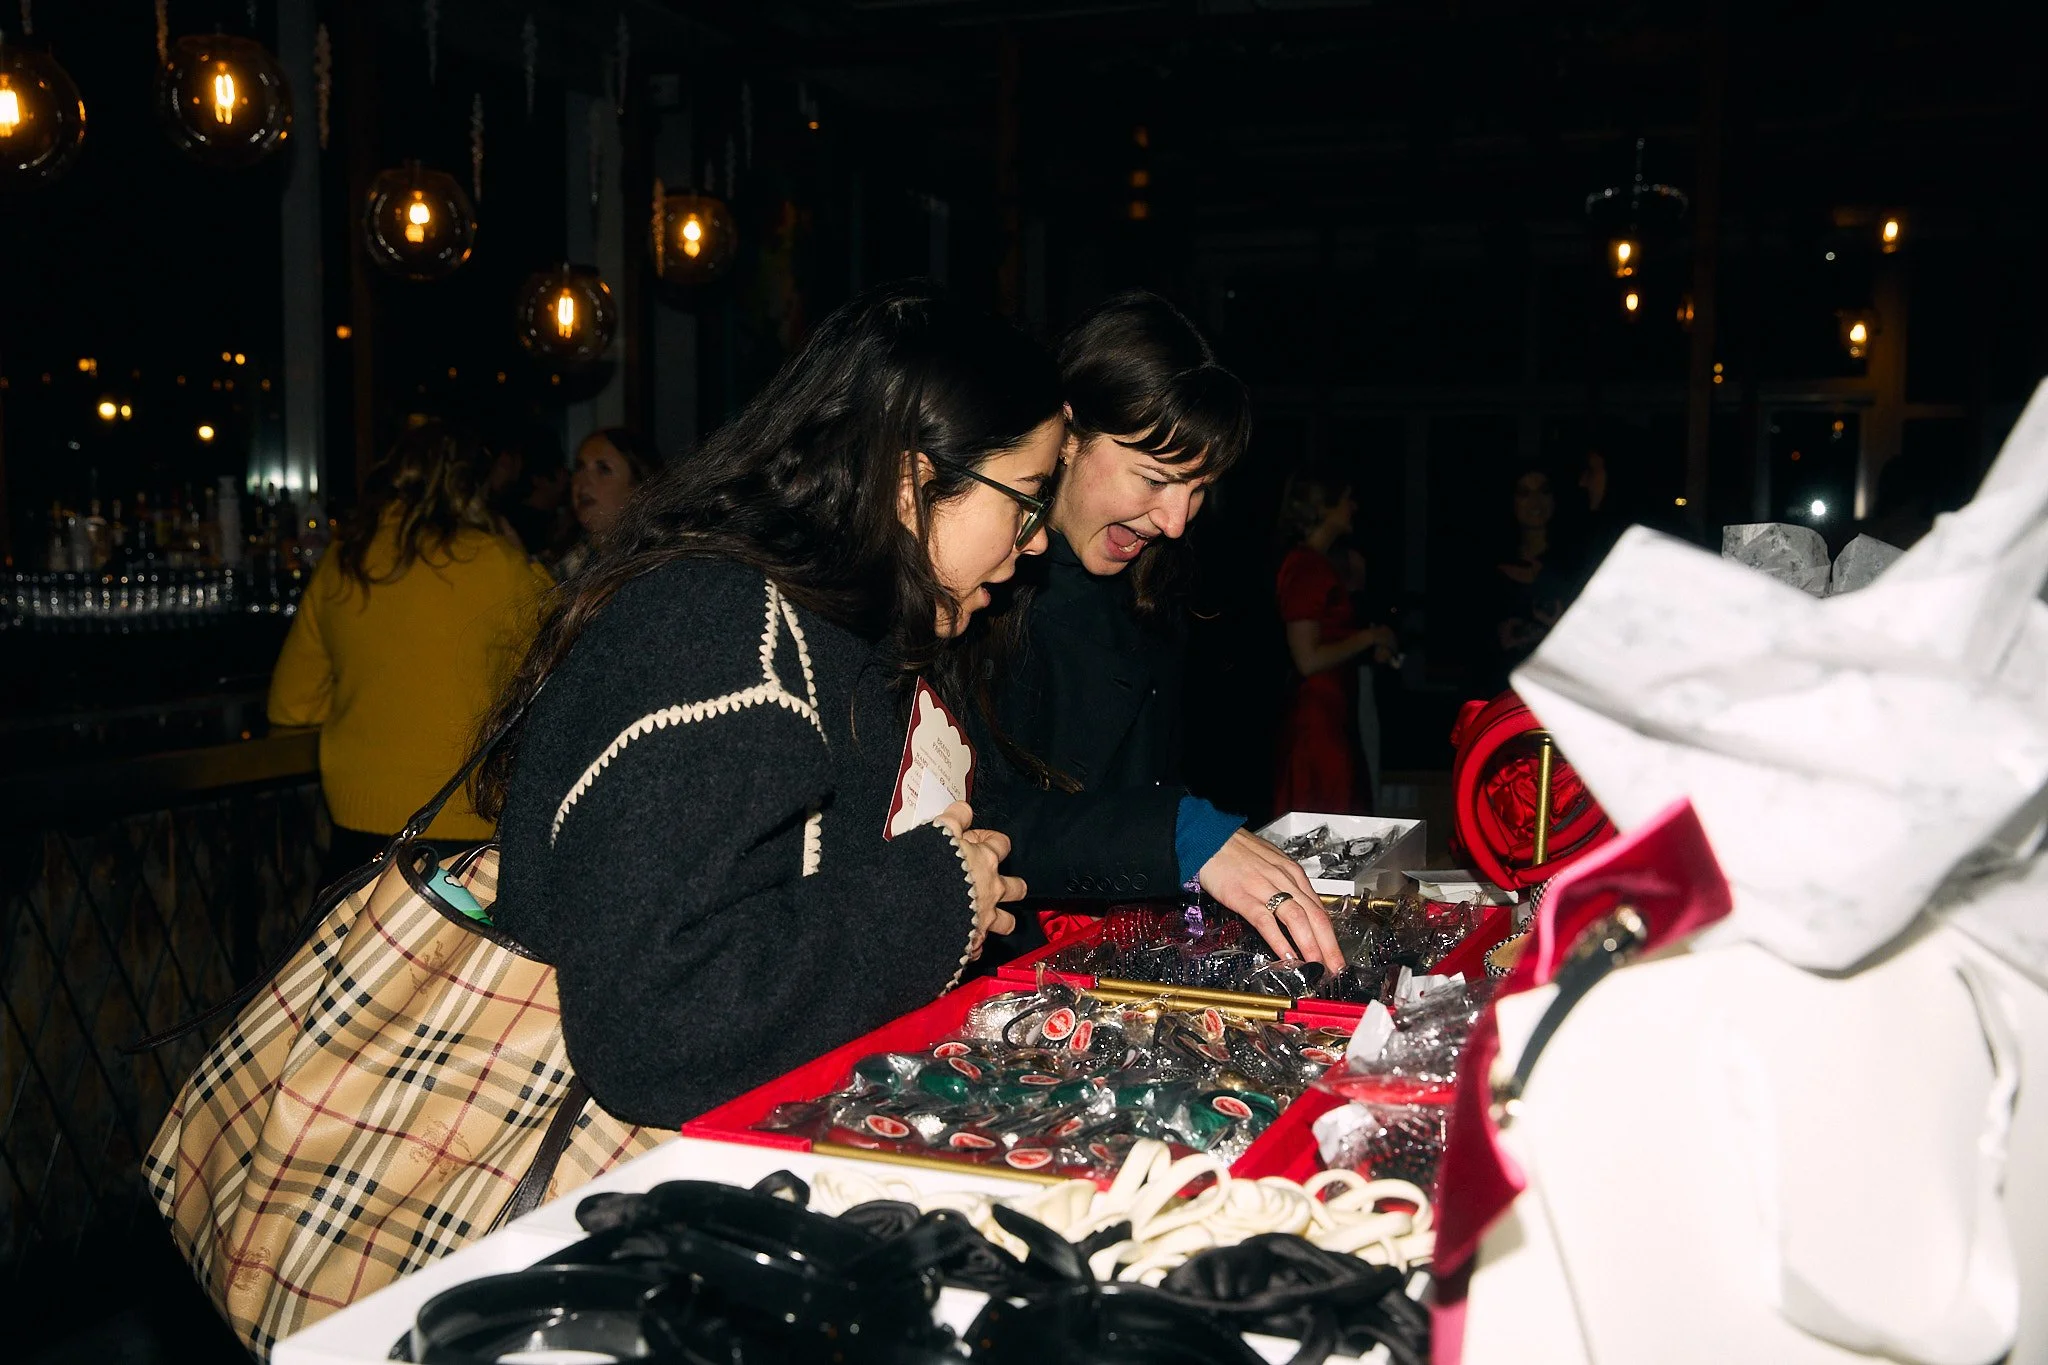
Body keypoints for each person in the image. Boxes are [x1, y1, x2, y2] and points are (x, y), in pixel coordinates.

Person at [473, 283, 1062, 1129]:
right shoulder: (721, 635)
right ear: (913, 483)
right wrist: (934, 900)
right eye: (1026, 497)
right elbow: (654, 1025)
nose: (1037, 538)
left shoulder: (827, 632)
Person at [974, 291, 1342, 972]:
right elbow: (981, 820)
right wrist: (1177, 834)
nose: (1176, 520)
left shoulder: (1150, 577)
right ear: (1067, 432)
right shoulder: (976, 588)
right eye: (1154, 478)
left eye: (1198, 489)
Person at [267, 420, 554, 879]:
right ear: (471, 484)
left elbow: (291, 705)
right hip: (467, 833)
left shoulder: (346, 560)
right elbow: (561, 661)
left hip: (359, 833)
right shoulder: (497, 563)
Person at [1273, 469, 1395, 816]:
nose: (1353, 507)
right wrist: (1370, 636)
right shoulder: (1307, 566)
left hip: (1332, 713)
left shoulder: (1319, 563)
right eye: (1346, 500)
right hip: (1316, 721)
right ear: (1323, 508)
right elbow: (1307, 659)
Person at [1486, 464, 1569, 690]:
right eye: (1524, 493)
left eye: (1543, 491)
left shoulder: (1574, 562)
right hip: (1501, 689)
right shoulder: (1489, 564)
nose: (1535, 501)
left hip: (1556, 688)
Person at [555, 427, 662, 579]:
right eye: (580, 467)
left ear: (639, 490)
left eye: (603, 469)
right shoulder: (563, 562)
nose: (582, 481)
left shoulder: (656, 565)